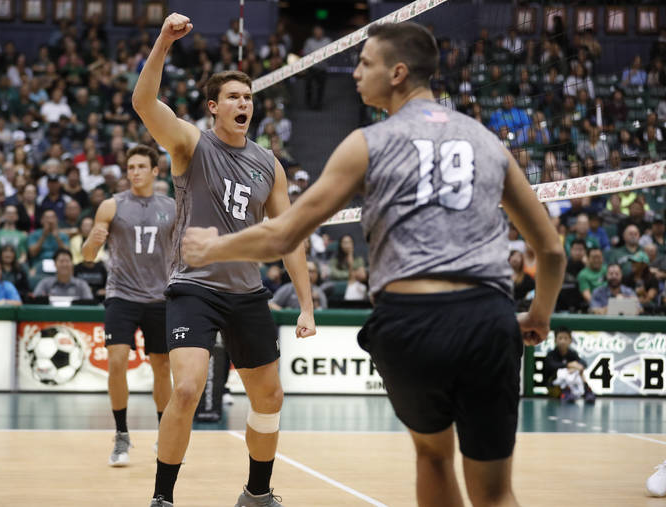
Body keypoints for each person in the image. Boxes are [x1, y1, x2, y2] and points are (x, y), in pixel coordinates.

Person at [182, 21, 565, 507]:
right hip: (489, 320)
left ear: (398, 73)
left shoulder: (369, 142)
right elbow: (551, 251)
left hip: (413, 322)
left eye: (365, 63)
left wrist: (210, 248)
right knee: (495, 493)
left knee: (434, 458)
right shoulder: (488, 141)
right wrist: (539, 316)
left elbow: (283, 234)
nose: (356, 73)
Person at [133, 13, 315, 507]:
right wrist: (164, 42)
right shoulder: (191, 144)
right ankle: (162, 498)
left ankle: (257, 493)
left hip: (247, 292)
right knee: (188, 390)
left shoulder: (268, 163)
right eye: (234, 97)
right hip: (194, 286)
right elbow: (143, 103)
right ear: (214, 107)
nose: (244, 104)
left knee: (270, 398)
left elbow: (290, 235)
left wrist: (306, 305)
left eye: (249, 98)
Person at [81, 145, 176, 467]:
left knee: (162, 366)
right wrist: (92, 241)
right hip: (121, 293)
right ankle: (122, 435)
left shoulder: (172, 208)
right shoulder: (111, 206)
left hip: (160, 297)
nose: (134, 171)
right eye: (130, 166)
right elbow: (88, 256)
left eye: (140, 166)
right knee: (118, 359)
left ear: (155, 171)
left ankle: (165, 432)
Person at [543, 327, 594, 402]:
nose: (563, 341)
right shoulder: (551, 354)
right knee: (563, 372)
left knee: (578, 371)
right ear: (555, 340)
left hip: (572, 385)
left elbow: (583, 364)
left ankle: (588, 391)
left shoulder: (572, 353)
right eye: (560, 338)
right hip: (554, 386)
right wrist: (568, 365)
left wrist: (575, 368)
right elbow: (552, 366)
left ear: (570, 340)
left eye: (565, 338)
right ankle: (565, 392)